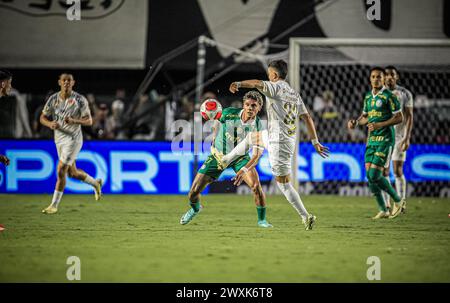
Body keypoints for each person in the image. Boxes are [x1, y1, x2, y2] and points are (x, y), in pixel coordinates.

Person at [226, 60, 329, 230]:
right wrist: (315, 142)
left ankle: (306, 216)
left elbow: (257, 84)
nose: (268, 77)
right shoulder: (294, 94)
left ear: (274, 75)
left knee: (283, 184)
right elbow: (307, 118)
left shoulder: (275, 87)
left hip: (278, 143)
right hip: (286, 139)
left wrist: (239, 83)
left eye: (269, 74)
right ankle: (227, 159)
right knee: (254, 137)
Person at [180, 91, 272, 228]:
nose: (250, 108)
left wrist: (245, 169)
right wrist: (214, 138)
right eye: (247, 104)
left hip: (240, 158)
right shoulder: (229, 113)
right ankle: (195, 209)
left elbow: (257, 155)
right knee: (193, 192)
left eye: (254, 105)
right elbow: (217, 121)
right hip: (218, 157)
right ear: (243, 105)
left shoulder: (258, 127)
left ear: (259, 108)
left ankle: (262, 221)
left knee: (255, 186)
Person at [40, 73, 103, 214]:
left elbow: (89, 121)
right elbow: (42, 118)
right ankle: (95, 183)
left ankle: (54, 205)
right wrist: (50, 123)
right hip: (59, 139)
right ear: (59, 82)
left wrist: (75, 121)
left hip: (73, 140)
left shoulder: (79, 100)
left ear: (73, 83)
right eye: (64, 80)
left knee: (61, 169)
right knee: (72, 173)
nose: (66, 83)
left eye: (69, 80)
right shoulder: (53, 99)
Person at [347, 67, 405, 219]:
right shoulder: (368, 97)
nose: (376, 79)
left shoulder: (389, 96)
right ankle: (383, 209)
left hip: (385, 139)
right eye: (373, 77)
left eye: (379, 77)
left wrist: (381, 125)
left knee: (375, 174)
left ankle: (398, 200)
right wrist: (356, 123)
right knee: (369, 175)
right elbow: (366, 117)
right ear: (370, 79)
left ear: (383, 79)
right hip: (371, 140)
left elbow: (399, 118)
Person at [382, 66, 413, 213]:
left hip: (400, 137)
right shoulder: (379, 93)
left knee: (397, 170)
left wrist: (407, 137)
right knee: (383, 172)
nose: (389, 77)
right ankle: (387, 205)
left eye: (392, 75)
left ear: (397, 77)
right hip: (383, 137)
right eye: (386, 75)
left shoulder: (405, 93)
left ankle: (401, 202)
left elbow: (410, 117)